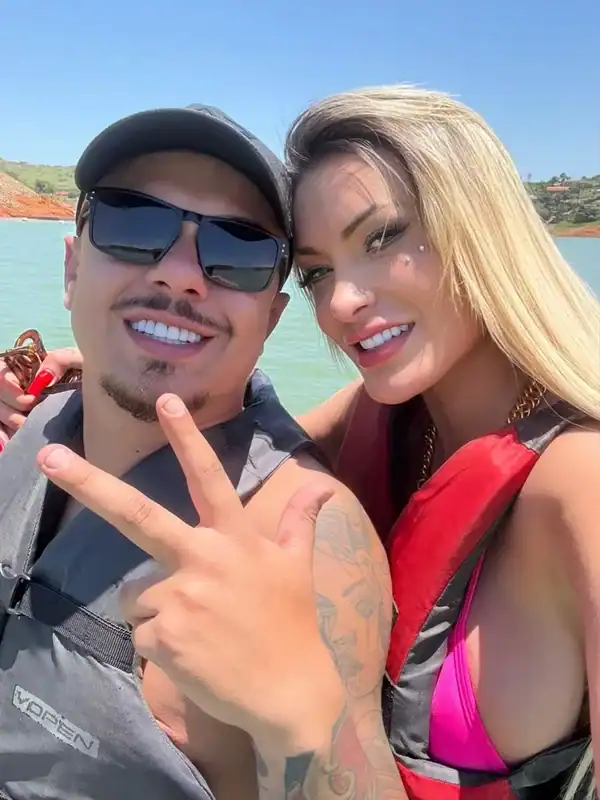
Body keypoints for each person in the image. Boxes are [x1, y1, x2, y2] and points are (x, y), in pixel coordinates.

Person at [2, 84, 599, 799]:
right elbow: (225, 433)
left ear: (483, 229)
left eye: (381, 238)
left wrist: (303, 712)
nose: (342, 301)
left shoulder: (582, 479)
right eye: (317, 272)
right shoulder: (389, 409)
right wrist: (101, 365)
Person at [0, 104, 395, 800]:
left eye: (239, 251)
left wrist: (303, 720)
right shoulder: (40, 420)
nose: (181, 274)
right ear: (72, 269)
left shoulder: (303, 538)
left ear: (271, 318)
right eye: (133, 224)